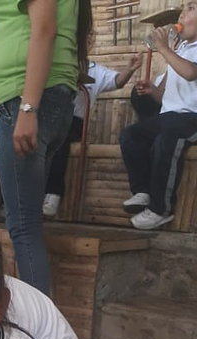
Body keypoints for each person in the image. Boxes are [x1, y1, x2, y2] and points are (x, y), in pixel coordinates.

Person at [0, 0, 79, 297]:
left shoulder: (26, 104)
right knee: (28, 220)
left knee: (23, 224)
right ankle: (41, 329)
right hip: (33, 96)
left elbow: (45, 29)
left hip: (23, 96)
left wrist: (28, 107)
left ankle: (40, 333)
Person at [120, 0, 197, 230]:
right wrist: (152, 91)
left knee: (166, 141)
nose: (182, 14)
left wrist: (165, 49)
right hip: (168, 116)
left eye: (191, 8)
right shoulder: (182, 50)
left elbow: (190, 73)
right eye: (184, 8)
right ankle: (143, 191)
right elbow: (162, 95)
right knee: (130, 136)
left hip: (193, 119)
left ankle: (160, 209)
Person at [43, 34, 143, 217]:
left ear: (91, 42)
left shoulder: (95, 70)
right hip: (49, 117)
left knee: (60, 139)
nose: (83, 42)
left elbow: (117, 81)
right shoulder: (54, 63)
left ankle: (53, 194)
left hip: (74, 122)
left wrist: (129, 69)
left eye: (88, 39)